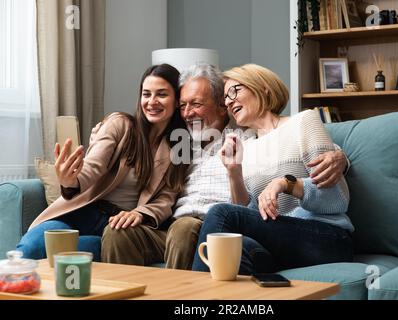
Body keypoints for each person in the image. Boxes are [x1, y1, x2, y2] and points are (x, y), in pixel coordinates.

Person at [163, 63, 350, 271]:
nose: (229, 100)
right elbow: (245, 214)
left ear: (263, 88)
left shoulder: (303, 122)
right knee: (231, 249)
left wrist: (285, 184)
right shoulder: (246, 145)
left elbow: (336, 200)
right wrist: (234, 172)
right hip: (278, 238)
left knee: (221, 213)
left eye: (235, 90)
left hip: (325, 236)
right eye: (226, 96)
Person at [16, 64, 187, 262]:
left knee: (66, 254)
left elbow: (167, 197)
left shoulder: (180, 145)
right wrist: (71, 180)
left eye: (162, 94)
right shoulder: (120, 124)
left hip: (115, 227)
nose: (151, 102)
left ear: (177, 101)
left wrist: (141, 213)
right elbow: (93, 165)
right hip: (83, 211)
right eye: (146, 94)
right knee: (29, 251)